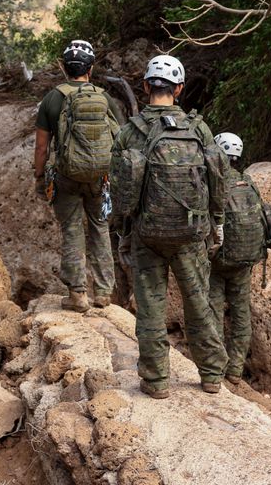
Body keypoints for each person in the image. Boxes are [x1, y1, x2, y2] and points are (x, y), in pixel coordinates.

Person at [110, 54, 228, 398]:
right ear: (179, 88)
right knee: (199, 303)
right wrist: (216, 223)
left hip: (148, 234)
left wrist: (122, 230)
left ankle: (157, 381)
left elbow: (119, 187)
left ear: (146, 86)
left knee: (150, 306)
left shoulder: (130, 131)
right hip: (192, 233)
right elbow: (218, 179)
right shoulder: (199, 128)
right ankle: (210, 376)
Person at [33, 40, 124, 311]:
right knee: (99, 226)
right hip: (99, 176)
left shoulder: (52, 99)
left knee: (72, 228)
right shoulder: (104, 97)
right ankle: (105, 292)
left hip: (66, 176)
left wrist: (39, 177)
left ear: (63, 67)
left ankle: (78, 294)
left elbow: (41, 147)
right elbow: (120, 138)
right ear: (91, 68)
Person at [208, 132, 268, 386]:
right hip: (245, 259)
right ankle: (235, 370)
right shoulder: (248, 182)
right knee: (241, 312)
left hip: (217, 259)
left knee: (213, 310)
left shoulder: (215, 182)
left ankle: (215, 368)